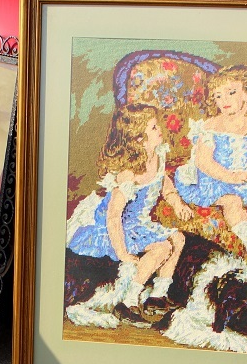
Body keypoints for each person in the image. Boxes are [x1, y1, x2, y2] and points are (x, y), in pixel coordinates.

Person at [65, 103, 191, 328]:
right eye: (154, 127)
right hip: (119, 226)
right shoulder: (128, 174)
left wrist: (177, 202)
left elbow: (164, 184)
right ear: (139, 140)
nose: (160, 130)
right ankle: (128, 300)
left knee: (178, 239)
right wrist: (122, 252)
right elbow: (113, 216)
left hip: (139, 222)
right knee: (163, 248)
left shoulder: (157, 156)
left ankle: (157, 296)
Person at [174, 65, 247, 260]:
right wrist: (231, 177)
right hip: (215, 180)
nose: (224, 100)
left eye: (231, 93)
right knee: (232, 201)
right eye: (218, 96)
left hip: (243, 177)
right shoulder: (211, 126)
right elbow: (203, 162)